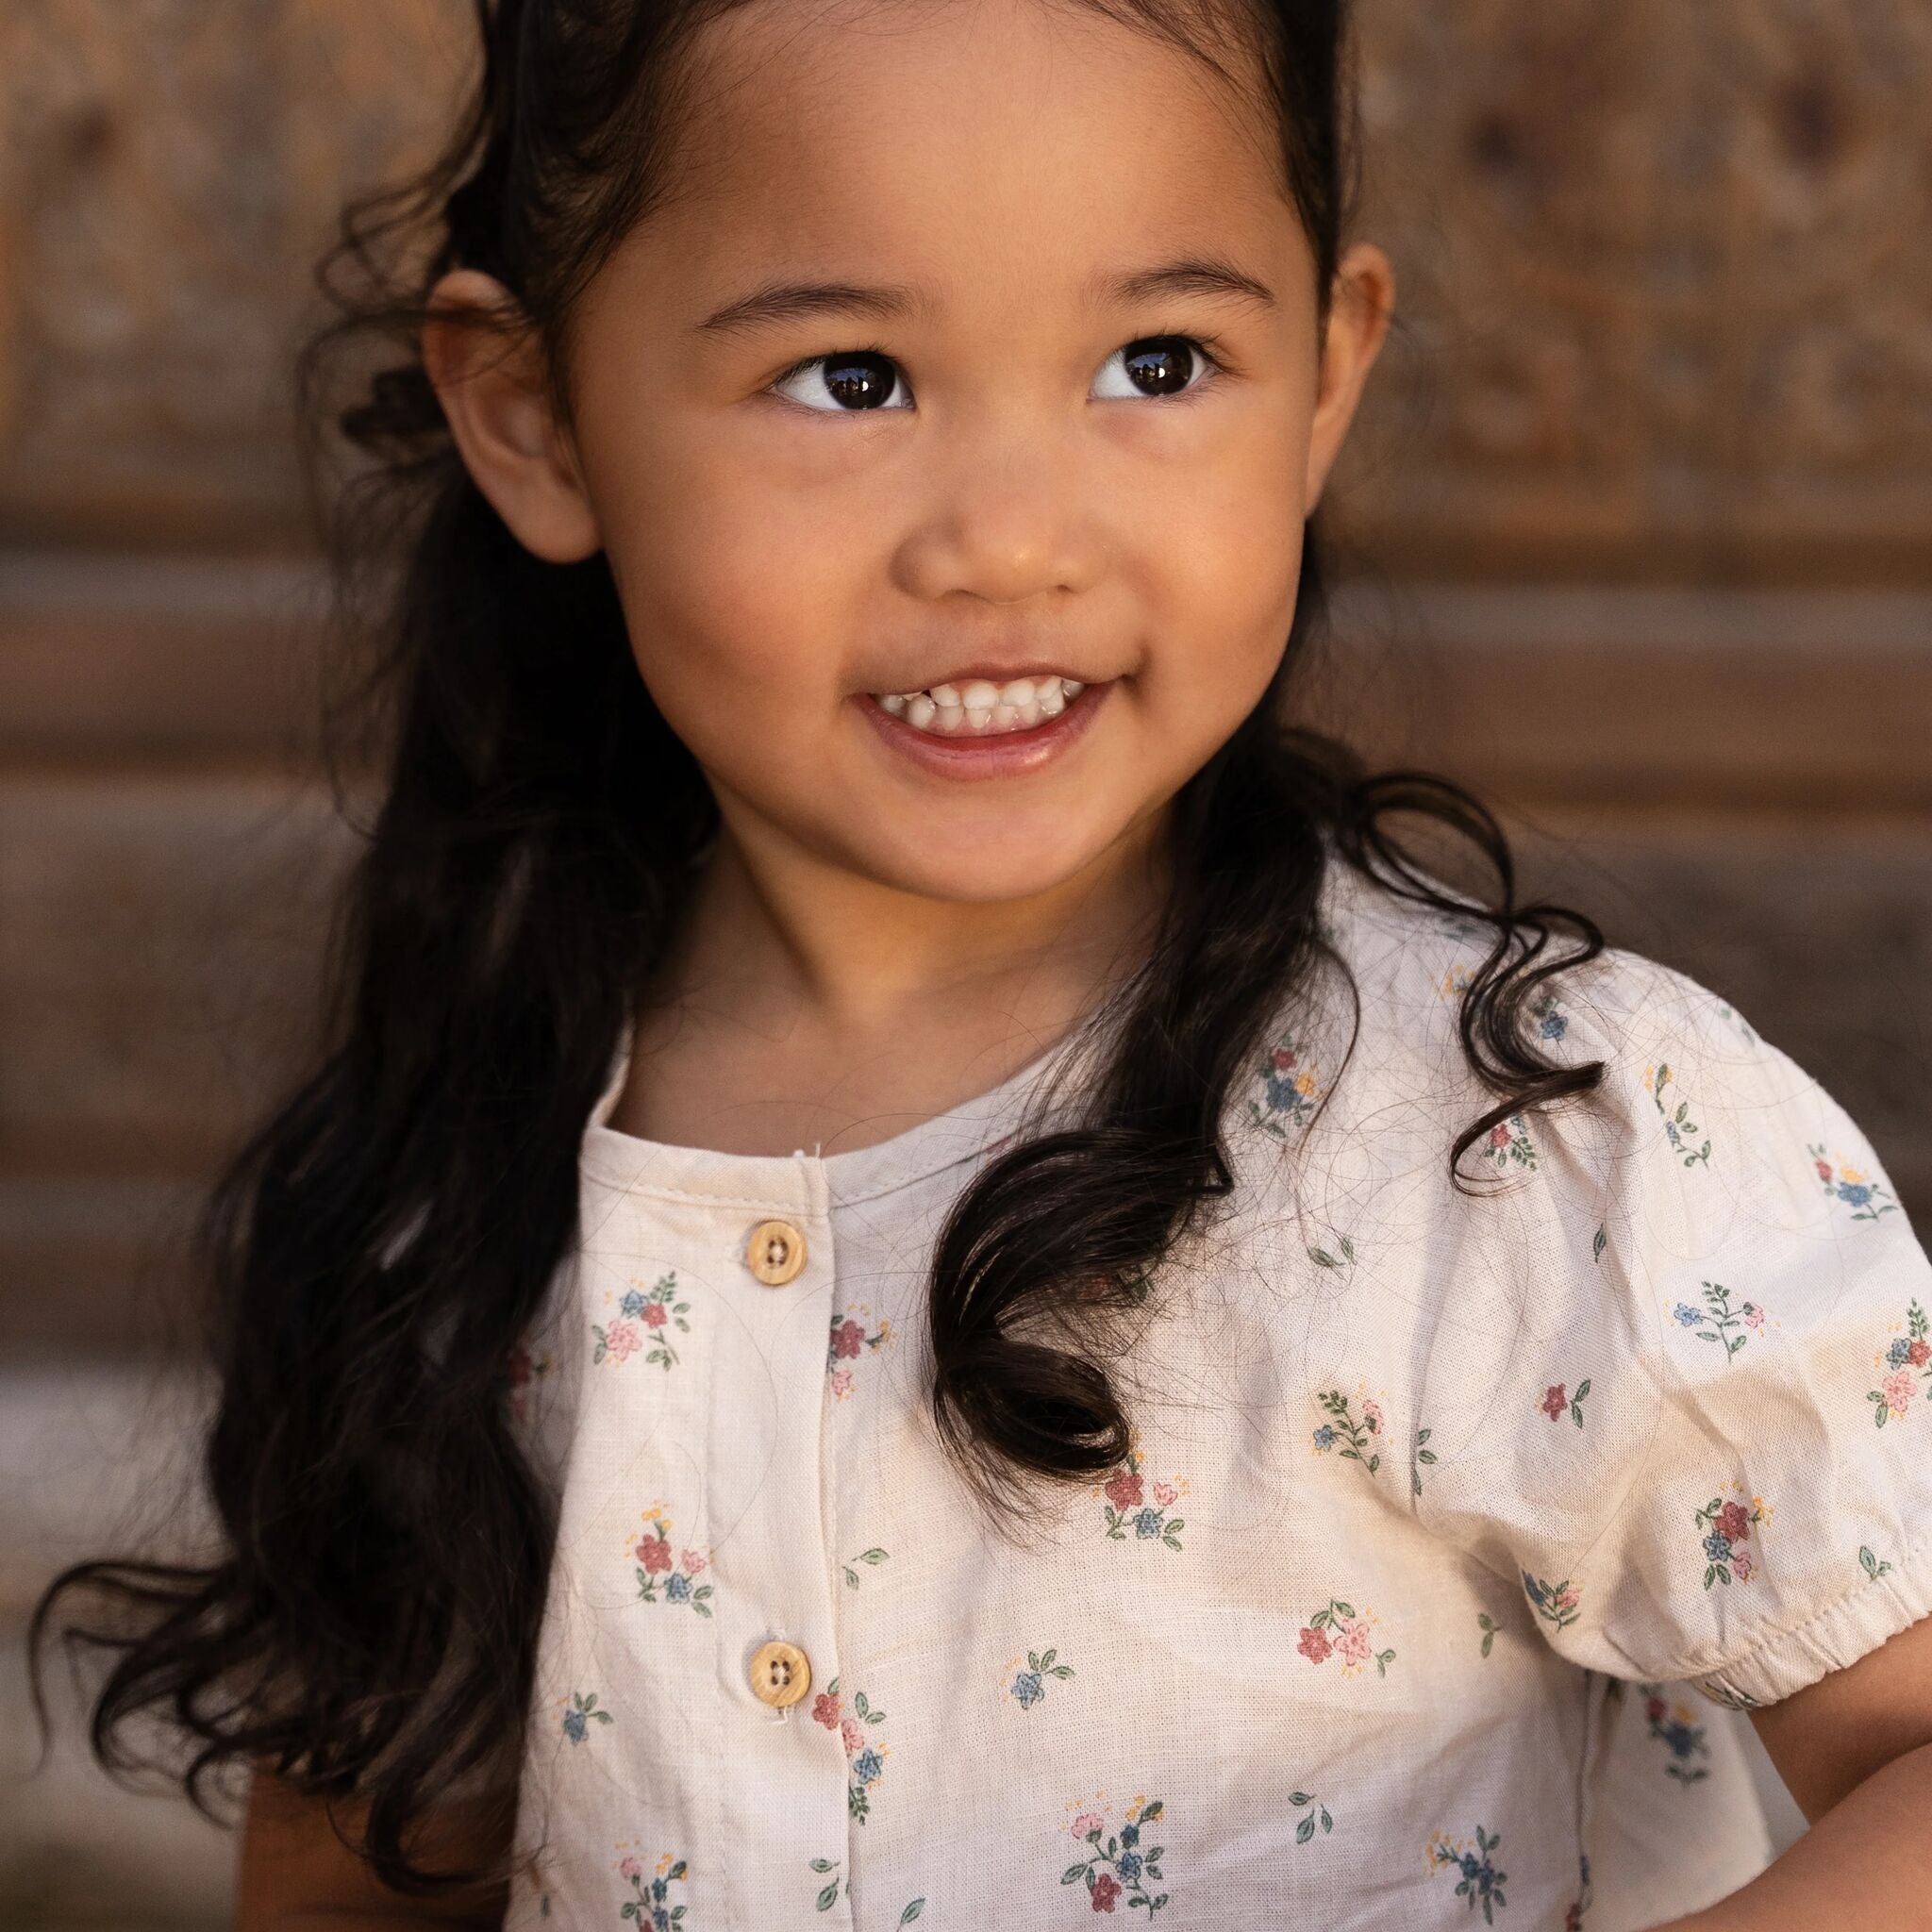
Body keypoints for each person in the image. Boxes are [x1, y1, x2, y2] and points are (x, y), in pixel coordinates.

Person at [28, 1, 1932, 1927]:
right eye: (849, 379)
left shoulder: (1527, 1146)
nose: (1010, 544)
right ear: (536, 416)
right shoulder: (460, 1176)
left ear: (1325, 377)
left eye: (1157, 362)